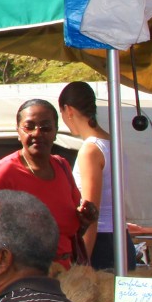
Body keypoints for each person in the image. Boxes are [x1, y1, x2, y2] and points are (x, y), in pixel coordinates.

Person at [0, 99, 93, 264]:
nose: (37, 133)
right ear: (18, 131)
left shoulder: (62, 166)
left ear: (55, 132)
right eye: (29, 127)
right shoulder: (1, 174)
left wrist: (84, 221)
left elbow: (70, 229)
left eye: (45, 128)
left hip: (67, 274)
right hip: (24, 276)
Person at [59, 81, 116, 265]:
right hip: (119, 238)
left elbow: (91, 213)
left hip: (99, 243)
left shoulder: (90, 150)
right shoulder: (113, 143)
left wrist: (84, 261)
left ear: (68, 110)